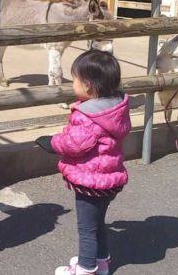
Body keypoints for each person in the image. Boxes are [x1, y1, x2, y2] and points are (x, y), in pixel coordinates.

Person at [36, 50, 131, 275]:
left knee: (87, 228)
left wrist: (52, 143)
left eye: (75, 80)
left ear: (88, 86)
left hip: (91, 182)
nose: (73, 84)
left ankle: (86, 268)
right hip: (111, 179)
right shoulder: (114, 108)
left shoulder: (87, 116)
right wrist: (79, 107)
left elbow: (74, 144)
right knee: (99, 223)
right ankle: (102, 263)